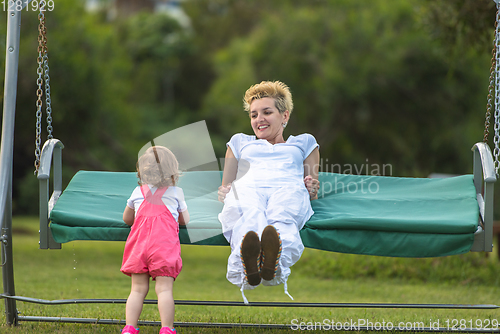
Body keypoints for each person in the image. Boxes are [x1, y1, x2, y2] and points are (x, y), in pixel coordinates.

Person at [217, 80, 320, 303]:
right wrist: (224, 193)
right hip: (249, 186)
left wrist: (312, 187)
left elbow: (312, 187)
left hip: (287, 186)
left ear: (285, 116)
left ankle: (271, 262)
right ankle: (252, 266)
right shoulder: (240, 142)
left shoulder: (303, 143)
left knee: (282, 214)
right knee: (249, 212)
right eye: (254, 115)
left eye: (266, 112)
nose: (259, 119)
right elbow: (227, 184)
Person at [120, 146, 189, 334]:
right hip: (163, 247)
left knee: (137, 290)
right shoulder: (176, 192)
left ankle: (129, 328)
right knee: (164, 290)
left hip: (139, 246)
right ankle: (166, 329)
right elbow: (185, 220)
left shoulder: (137, 192)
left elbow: (127, 218)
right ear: (172, 170)